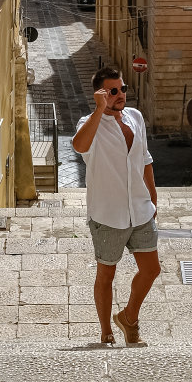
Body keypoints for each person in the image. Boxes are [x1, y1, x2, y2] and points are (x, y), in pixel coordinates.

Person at [71, 62, 160, 346]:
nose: (120, 94)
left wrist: (153, 196)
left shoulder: (135, 117)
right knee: (106, 274)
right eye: (113, 91)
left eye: (122, 88)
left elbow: (145, 158)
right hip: (108, 213)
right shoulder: (90, 124)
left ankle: (129, 317)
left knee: (152, 269)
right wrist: (100, 110)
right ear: (100, 94)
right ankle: (106, 331)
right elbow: (79, 146)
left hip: (140, 208)